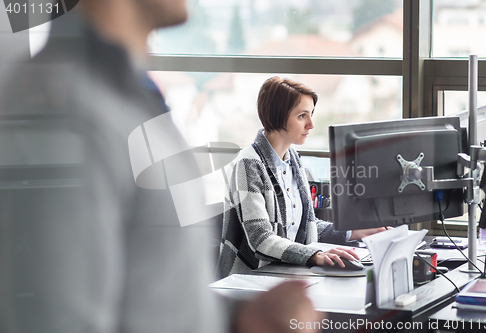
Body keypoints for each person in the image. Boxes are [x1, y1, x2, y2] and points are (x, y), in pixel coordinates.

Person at [0, 2, 321, 333]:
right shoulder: (67, 105)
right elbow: (59, 318)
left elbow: (152, 295)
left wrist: (238, 320)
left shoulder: (124, 91)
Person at [218, 77, 386, 277]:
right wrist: (315, 255)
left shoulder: (293, 159)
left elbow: (307, 227)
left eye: (311, 115)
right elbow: (261, 239)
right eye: (302, 116)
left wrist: (353, 232)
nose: (311, 124)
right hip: (250, 279)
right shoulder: (247, 165)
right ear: (278, 116)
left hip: (287, 272)